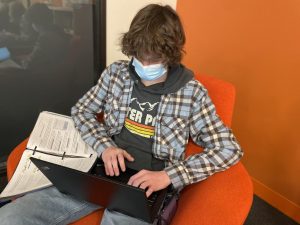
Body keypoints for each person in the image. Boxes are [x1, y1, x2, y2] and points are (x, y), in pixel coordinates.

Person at [0, 4, 243, 225]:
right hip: (100, 173)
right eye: (139, 57)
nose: (145, 65)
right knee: (10, 217)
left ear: (171, 54)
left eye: (154, 59)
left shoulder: (192, 94)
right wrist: (105, 147)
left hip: (147, 188)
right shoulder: (116, 74)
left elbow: (228, 149)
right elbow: (82, 110)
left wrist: (169, 176)